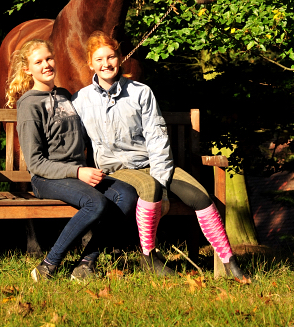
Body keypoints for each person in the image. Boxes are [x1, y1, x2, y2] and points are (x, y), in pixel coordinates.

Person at [71, 31, 250, 279]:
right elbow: (74, 142)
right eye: (99, 59)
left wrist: (162, 177)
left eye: (111, 57)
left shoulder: (141, 92)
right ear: (91, 63)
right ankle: (149, 257)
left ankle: (229, 263)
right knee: (149, 187)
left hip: (153, 162)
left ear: (120, 58)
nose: (106, 64)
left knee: (200, 196)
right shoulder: (81, 99)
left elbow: (156, 137)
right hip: (117, 170)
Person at [6, 38, 138, 281]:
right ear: (28, 69)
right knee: (96, 203)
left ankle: (86, 264)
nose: (46, 65)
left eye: (49, 58)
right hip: (47, 178)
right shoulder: (29, 105)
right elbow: (35, 162)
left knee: (127, 194)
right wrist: (77, 172)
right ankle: (48, 266)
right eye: (38, 62)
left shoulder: (66, 95)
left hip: (79, 174)